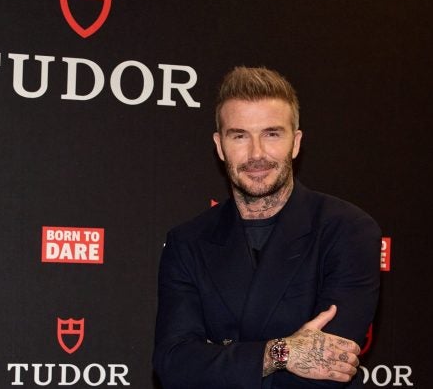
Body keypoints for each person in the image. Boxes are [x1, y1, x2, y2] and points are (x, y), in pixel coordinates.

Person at [153, 67, 381, 388]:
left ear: (295, 143)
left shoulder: (348, 230)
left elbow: (328, 369)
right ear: (220, 146)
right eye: (239, 136)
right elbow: (174, 365)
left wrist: (219, 362)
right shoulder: (187, 242)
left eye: (272, 134)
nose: (256, 153)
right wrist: (280, 353)